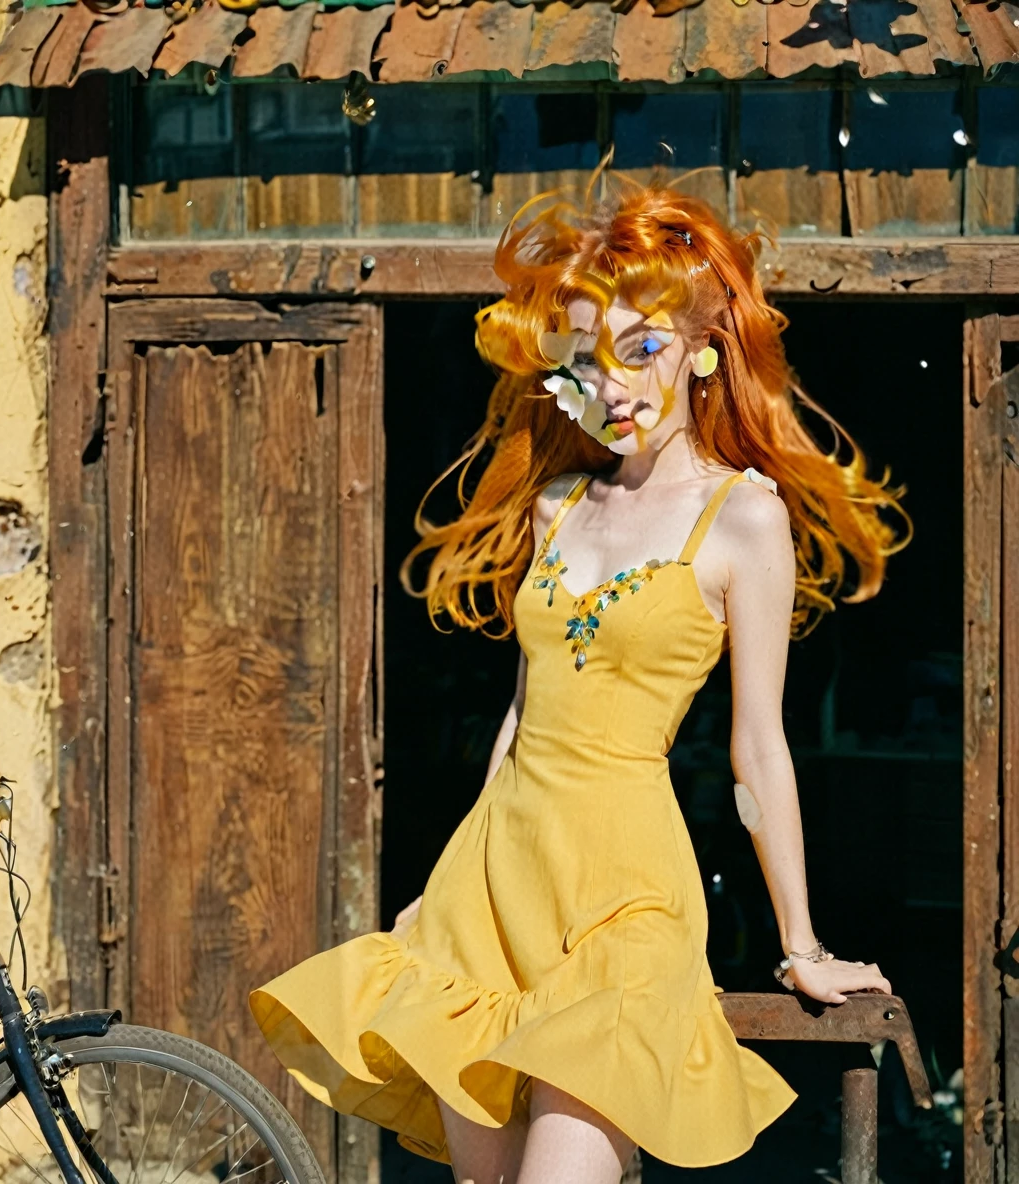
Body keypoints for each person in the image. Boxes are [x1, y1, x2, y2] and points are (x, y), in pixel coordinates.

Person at [249, 184, 909, 1184]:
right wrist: (442, 888)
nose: (618, 388)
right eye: (590, 361)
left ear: (700, 350)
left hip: (625, 897)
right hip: (492, 886)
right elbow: (523, 713)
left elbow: (757, 749)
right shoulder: (555, 506)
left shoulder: (746, 519)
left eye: (641, 350)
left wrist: (800, 940)